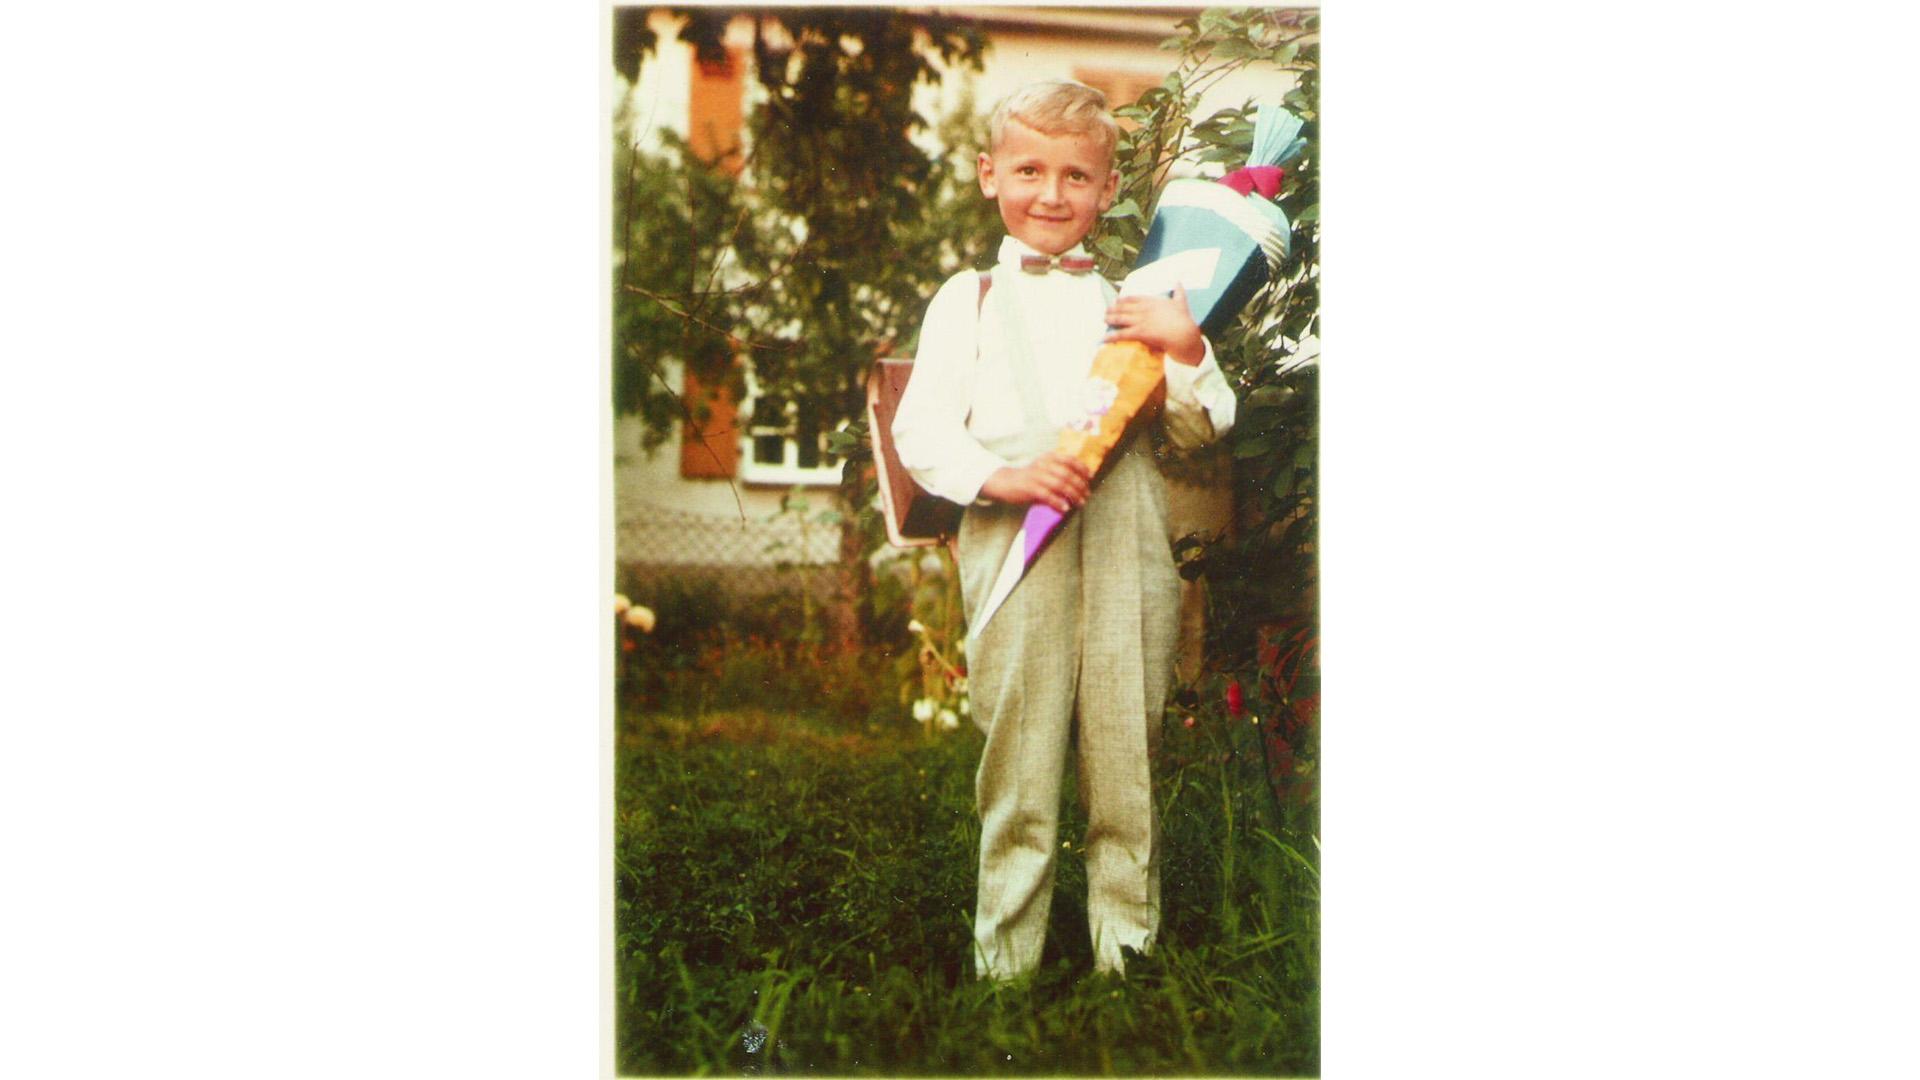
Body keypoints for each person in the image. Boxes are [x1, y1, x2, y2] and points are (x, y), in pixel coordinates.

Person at [890, 79, 1237, 980]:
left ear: (1109, 188)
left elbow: (1201, 430)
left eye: (1076, 176)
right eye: (1030, 170)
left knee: (1128, 757)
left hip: (1128, 546)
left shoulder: (1136, 305)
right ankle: (1005, 964)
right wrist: (1001, 476)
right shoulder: (962, 300)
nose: (1051, 194)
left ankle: (1127, 956)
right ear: (987, 174)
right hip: (1015, 544)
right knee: (1019, 760)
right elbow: (922, 433)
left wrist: (1188, 348)